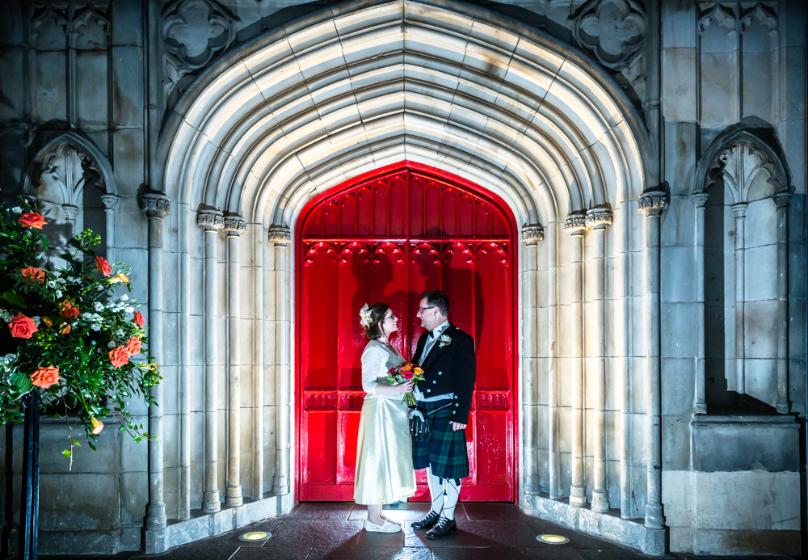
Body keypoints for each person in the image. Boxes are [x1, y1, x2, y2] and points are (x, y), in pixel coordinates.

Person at [409, 290, 476, 539]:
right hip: (425, 410)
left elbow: (465, 378)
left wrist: (460, 415)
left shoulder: (460, 340)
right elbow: (416, 372)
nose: (418, 315)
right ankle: (436, 510)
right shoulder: (425, 339)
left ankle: (448, 517)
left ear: (436, 311)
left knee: (448, 467)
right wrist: (413, 403)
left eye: (422, 310)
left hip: (447, 411)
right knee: (433, 464)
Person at [353, 302, 416, 533]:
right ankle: (373, 519)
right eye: (391, 317)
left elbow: (391, 376)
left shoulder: (388, 347)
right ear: (379, 323)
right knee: (376, 458)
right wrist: (398, 389)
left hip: (391, 411)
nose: (395, 319)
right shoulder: (373, 349)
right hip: (379, 411)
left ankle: (378, 514)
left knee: (386, 459)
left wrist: (404, 385)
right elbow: (367, 385)